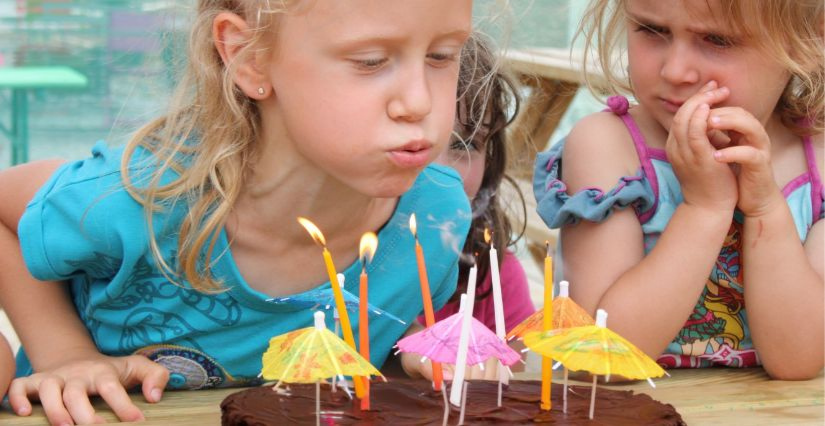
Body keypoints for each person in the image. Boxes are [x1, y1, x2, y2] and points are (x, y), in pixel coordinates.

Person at [0, 1, 473, 423]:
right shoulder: (137, 199)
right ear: (249, 57)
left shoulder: (434, 220)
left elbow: (373, 333)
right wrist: (63, 354)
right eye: (370, 61)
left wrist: (406, 350)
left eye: (442, 56)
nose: (419, 102)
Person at [533, 0, 823, 379]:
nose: (674, 71)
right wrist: (705, 209)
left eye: (717, 39)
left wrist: (766, 209)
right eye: (652, 30)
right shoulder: (607, 147)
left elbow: (799, 360)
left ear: (808, 41)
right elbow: (600, 358)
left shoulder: (816, 161)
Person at [402, 32, 535, 381]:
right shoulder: (343, 270)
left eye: (465, 143)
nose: (442, 170)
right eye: (416, 138)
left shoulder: (497, 275)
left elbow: (516, 377)